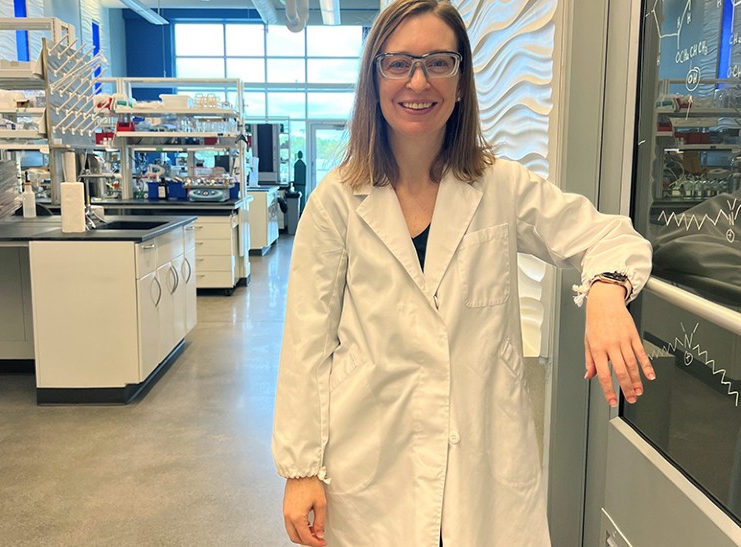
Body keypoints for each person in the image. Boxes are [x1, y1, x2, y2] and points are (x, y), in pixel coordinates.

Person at [272, 0, 655, 545]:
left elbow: (607, 235)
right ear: (374, 76)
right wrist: (300, 467)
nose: (418, 81)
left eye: (438, 62)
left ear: (460, 79)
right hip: (372, 467)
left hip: (482, 464)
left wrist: (607, 290)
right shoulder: (337, 201)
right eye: (398, 63)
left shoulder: (501, 186)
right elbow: (305, 344)